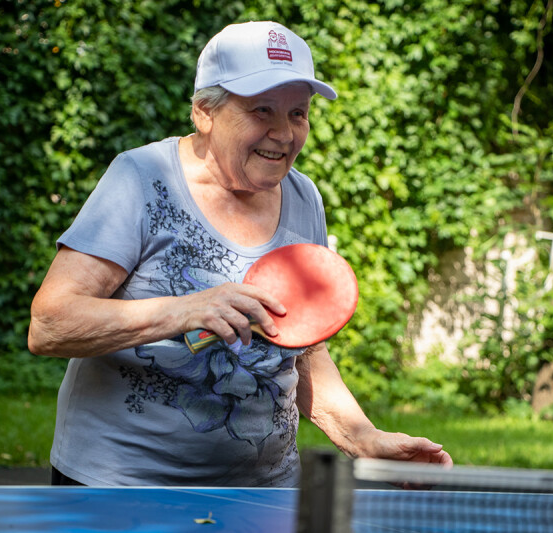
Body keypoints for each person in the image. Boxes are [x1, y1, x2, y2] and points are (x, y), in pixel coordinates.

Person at [28, 20, 453, 487]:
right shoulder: (142, 179)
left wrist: (363, 438)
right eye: (261, 110)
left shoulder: (303, 197)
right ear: (203, 113)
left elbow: (303, 347)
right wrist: (185, 310)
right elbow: (50, 325)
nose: (283, 133)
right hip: (121, 488)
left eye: (298, 113)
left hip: (263, 491)